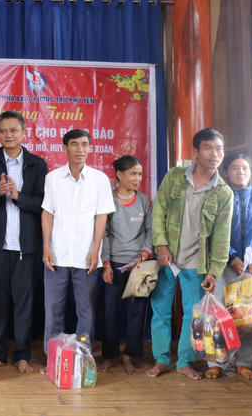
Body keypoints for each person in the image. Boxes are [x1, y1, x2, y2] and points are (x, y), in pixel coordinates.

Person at [146, 128, 233, 380]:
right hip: (168, 259)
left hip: (198, 264)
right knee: (161, 311)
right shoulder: (174, 177)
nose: (215, 154)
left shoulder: (223, 192)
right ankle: (161, 360)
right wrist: (161, 245)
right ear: (195, 152)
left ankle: (184, 361)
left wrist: (215, 271)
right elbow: (159, 211)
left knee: (193, 315)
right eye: (208, 148)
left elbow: (221, 235)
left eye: (219, 149)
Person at [0, 110, 48, 373]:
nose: (9, 135)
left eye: (14, 130)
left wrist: (19, 196)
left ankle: (22, 355)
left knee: (24, 304)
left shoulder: (38, 165)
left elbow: (44, 204)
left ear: (23, 132)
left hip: (26, 248)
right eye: (3, 131)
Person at [41, 129, 115, 355]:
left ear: (90, 148)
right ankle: (53, 357)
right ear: (65, 148)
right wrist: (46, 247)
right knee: (53, 310)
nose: (80, 149)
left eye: (84, 144)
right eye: (74, 144)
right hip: (57, 255)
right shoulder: (52, 178)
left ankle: (83, 358)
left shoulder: (99, 179)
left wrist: (96, 250)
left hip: (87, 257)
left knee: (87, 311)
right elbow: (47, 214)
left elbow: (101, 215)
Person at [205, 152, 252, 380]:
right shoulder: (217, 197)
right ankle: (216, 362)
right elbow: (213, 232)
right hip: (224, 266)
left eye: (245, 168)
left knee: (251, 317)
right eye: (235, 168)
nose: (241, 172)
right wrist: (232, 258)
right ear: (225, 172)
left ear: (251, 172)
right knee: (218, 315)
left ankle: (245, 362)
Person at [98, 155, 153, 374]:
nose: (137, 178)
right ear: (119, 175)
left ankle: (129, 355)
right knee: (109, 312)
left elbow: (151, 231)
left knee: (136, 312)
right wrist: (106, 263)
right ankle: (109, 356)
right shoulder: (107, 202)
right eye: (132, 173)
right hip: (113, 265)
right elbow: (103, 234)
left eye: (140, 173)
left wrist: (144, 255)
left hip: (139, 267)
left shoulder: (144, 201)